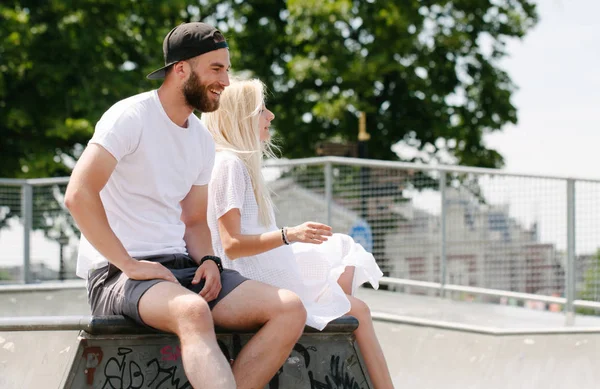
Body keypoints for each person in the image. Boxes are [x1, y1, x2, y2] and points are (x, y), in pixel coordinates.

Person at [64, 23, 307, 389]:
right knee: (193, 311)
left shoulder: (200, 139)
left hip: (181, 269)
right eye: (216, 69)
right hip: (118, 274)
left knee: (289, 308)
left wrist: (210, 260)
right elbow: (78, 195)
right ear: (181, 69)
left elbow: (194, 221)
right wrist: (128, 263)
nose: (226, 80)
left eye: (226, 69)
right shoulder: (130, 116)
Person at [202, 78, 395, 389]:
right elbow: (231, 244)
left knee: (344, 249)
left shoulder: (236, 165)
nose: (270, 116)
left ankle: (329, 329)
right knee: (357, 309)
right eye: (261, 109)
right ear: (241, 118)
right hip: (251, 278)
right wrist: (289, 234)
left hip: (264, 272)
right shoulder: (228, 165)